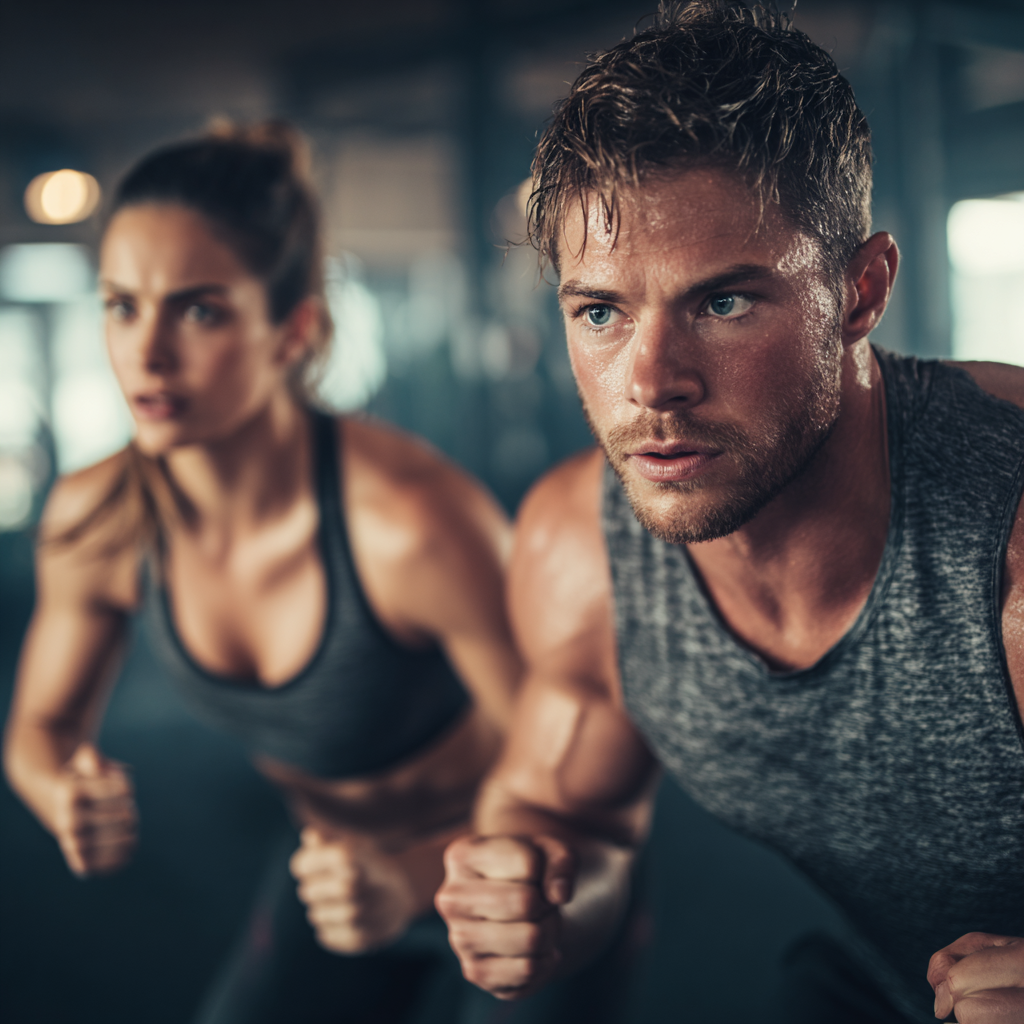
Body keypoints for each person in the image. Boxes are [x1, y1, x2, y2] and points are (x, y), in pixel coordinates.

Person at [434, 4, 1024, 1023]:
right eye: (602, 312)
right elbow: (572, 820)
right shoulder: (580, 547)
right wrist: (534, 902)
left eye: (722, 303)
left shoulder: (1003, 545)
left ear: (860, 290)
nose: (650, 383)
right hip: (881, 980)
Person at [2, 122, 524, 1024]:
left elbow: (579, 770)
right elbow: (40, 727)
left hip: (519, 867)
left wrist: (413, 874)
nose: (147, 353)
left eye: (199, 309)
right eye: (122, 305)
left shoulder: (413, 521)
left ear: (295, 330)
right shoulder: (98, 522)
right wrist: (61, 789)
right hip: (334, 874)